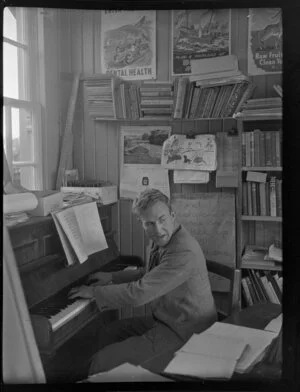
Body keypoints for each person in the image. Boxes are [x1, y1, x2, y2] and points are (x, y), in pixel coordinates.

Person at [69, 188, 217, 377]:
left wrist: (94, 293)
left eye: (162, 219)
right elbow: (149, 273)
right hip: (169, 319)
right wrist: (112, 277)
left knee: (102, 361)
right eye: (150, 223)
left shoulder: (183, 251)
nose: (157, 229)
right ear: (142, 223)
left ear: (172, 216)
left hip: (188, 332)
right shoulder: (164, 237)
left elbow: (140, 293)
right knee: (108, 332)